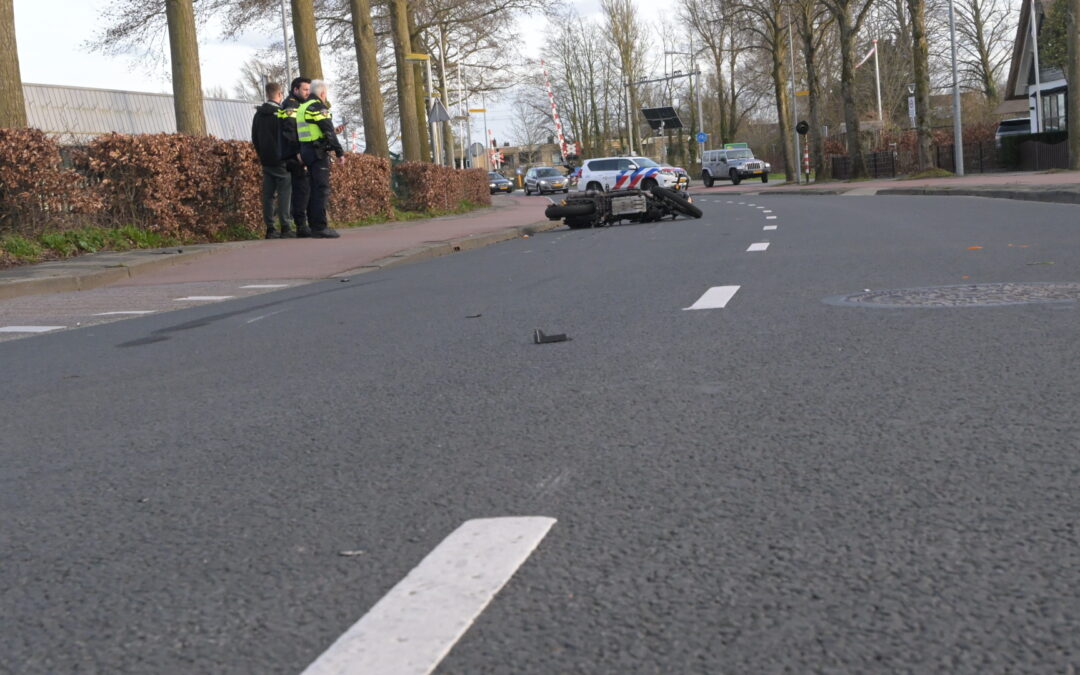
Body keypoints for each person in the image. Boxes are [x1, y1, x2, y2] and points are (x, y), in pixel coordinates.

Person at [295, 79, 346, 239]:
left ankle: (313, 225)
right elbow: (328, 130)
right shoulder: (318, 107)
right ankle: (320, 227)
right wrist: (339, 152)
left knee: (312, 188)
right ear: (322, 93)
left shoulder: (302, 107)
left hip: (306, 151)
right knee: (321, 189)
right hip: (317, 153)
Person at [251, 82, 296, 239]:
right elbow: (288, 137)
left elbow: (255, 138)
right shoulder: (281, 114)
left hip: (266, 160)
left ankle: (270, 228)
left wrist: (261, 154)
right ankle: (285, 226)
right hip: (281, 160)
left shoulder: (258, 115)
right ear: (279, 94)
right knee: (285, 192)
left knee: (268, 194)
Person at [283, 77, 312, 237]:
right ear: (295, 90)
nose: (308, 93)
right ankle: (301, 225)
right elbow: (290, 131)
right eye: (305, 90)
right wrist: (298, 153)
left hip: (299, 152)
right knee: (301, 189)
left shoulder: (297, 104)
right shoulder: (292, 106)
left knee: (302, 189)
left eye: (309, 90)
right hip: (296, 155)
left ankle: (302, 222)